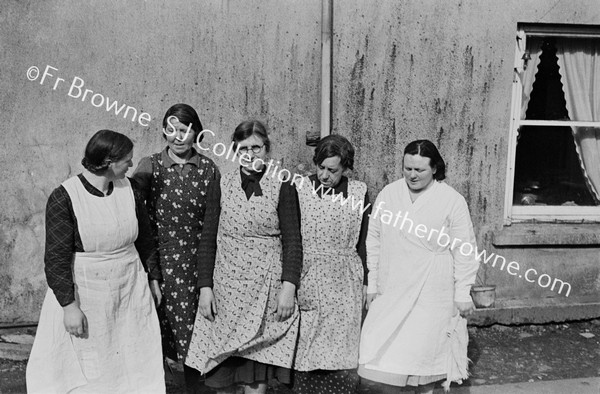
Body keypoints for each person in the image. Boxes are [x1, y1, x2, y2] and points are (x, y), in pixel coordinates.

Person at [26, 130, 165, 393]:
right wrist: (69, 306)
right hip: (86, 295)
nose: (132, 165)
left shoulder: (130, 189)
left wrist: (153, 277)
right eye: (127, 160)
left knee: (131, 361)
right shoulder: (65, 197)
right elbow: (56, 259)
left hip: (129, 291)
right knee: (88, 366)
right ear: (108, 163)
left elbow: (145, 238)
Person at [185, 120, 302, 394]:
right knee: (223, 378)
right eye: (244, 148)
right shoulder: (221, 183)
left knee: (255, 381)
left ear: (267, 149)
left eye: (257, 148)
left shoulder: (282, 185)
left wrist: (288, 287)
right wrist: (205, 288)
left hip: (265, 289)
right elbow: (207, 241)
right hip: (226, 291)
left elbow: (293, 241)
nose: (251, 154)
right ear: (235, 150)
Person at [358, 140, 480, 394]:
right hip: (394, 285)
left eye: (420, 170)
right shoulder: (389, 194)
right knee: (387, 357)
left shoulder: (452, 200)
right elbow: (375, 240)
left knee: (426, 361)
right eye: (407, 168)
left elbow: (465, 249)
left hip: (433, 290)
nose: (412, 175)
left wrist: (462, 292)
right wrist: (373, 283)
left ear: (435, 168)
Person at [132, 103, 220, 392]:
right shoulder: (150, 166)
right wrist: (152, 272)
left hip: (200, 267)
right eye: (171, 130)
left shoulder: (208, 170)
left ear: (196, 132)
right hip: (161, 266)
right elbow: (139, 222)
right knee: (159, 338)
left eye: (184, 130)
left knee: (199, 341)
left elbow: (212, 224)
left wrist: (208, 277)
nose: (178, 136)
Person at [292, 135, 371, 394]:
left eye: (332, 170)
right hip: (310, 277)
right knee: (309, 346)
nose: (325, 175)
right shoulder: (300, 188)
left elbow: (364, 243)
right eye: (320, 168)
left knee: (343, 349)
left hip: (345, 280)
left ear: (345, 168)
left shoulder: (359, 191)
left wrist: (367, 283)